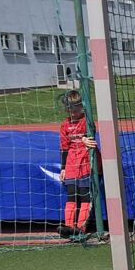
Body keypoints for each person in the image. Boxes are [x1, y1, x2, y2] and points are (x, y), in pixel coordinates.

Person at [57, 90, 97, 239]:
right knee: (71, 195)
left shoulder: (86, 121)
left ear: (81, 106)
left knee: (85, 195)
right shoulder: (64, 125)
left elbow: (91, 134)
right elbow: (64, 148)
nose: (72, 112)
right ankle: (69, 226)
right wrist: (63, 168)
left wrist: (85, 138)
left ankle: (81, 227)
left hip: (85, 162)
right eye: (69, 109)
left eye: (75, 108)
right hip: (71, 164)